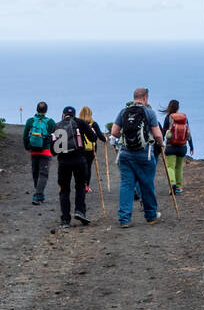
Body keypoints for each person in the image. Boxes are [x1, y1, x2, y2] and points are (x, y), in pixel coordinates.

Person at [110, 87, 164, 227]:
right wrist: (160, 143)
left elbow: (114, 132)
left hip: (125, 154)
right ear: (145, 98)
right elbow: (157, 134)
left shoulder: (123, 112)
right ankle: (151, 216)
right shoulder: (149, 112)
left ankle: (124, 219)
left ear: (134, 97)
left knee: (126, 185)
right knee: (146, 184)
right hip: (144, 154)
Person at [50, 106, 97, 228]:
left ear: (63, 114)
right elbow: (93, 138)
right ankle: (80, 211)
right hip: (79, 160)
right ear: (74, 114)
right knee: (80, 186)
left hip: (64, 162)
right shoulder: (80, 122)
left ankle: (65, 220)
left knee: (64, 190)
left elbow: (53, 150)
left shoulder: (57, 125)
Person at [22, 101, 54, 204]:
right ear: (46, 110)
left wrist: (28, 147)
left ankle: (39, 193)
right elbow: (55, 138)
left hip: (34, 151)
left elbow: (24, 136)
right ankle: (38, 195)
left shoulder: (30, 121)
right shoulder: (50, 122)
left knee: (35, 173)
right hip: (45, 151)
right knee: (43, 174)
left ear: (36, 109)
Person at [160, 99, 194, 195]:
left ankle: (172, 184)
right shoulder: (184, 118)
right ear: (178, 107)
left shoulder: (168, 118)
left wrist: (161, 144)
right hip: (182, 146)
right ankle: (178, 187)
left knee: (170, 167)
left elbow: (163, 133)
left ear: (169, 107)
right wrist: (191, 147)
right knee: (179, 167)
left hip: (171, 146)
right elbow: (188, 133)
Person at [78, 105, 107, 189]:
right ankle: (86, 186)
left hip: (80, 148)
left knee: (80, 167)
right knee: (88, 166)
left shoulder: (78, 122)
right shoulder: (93, 124)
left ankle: (80, 184)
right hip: (91, 149)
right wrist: (105, 139)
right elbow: (100, 136)